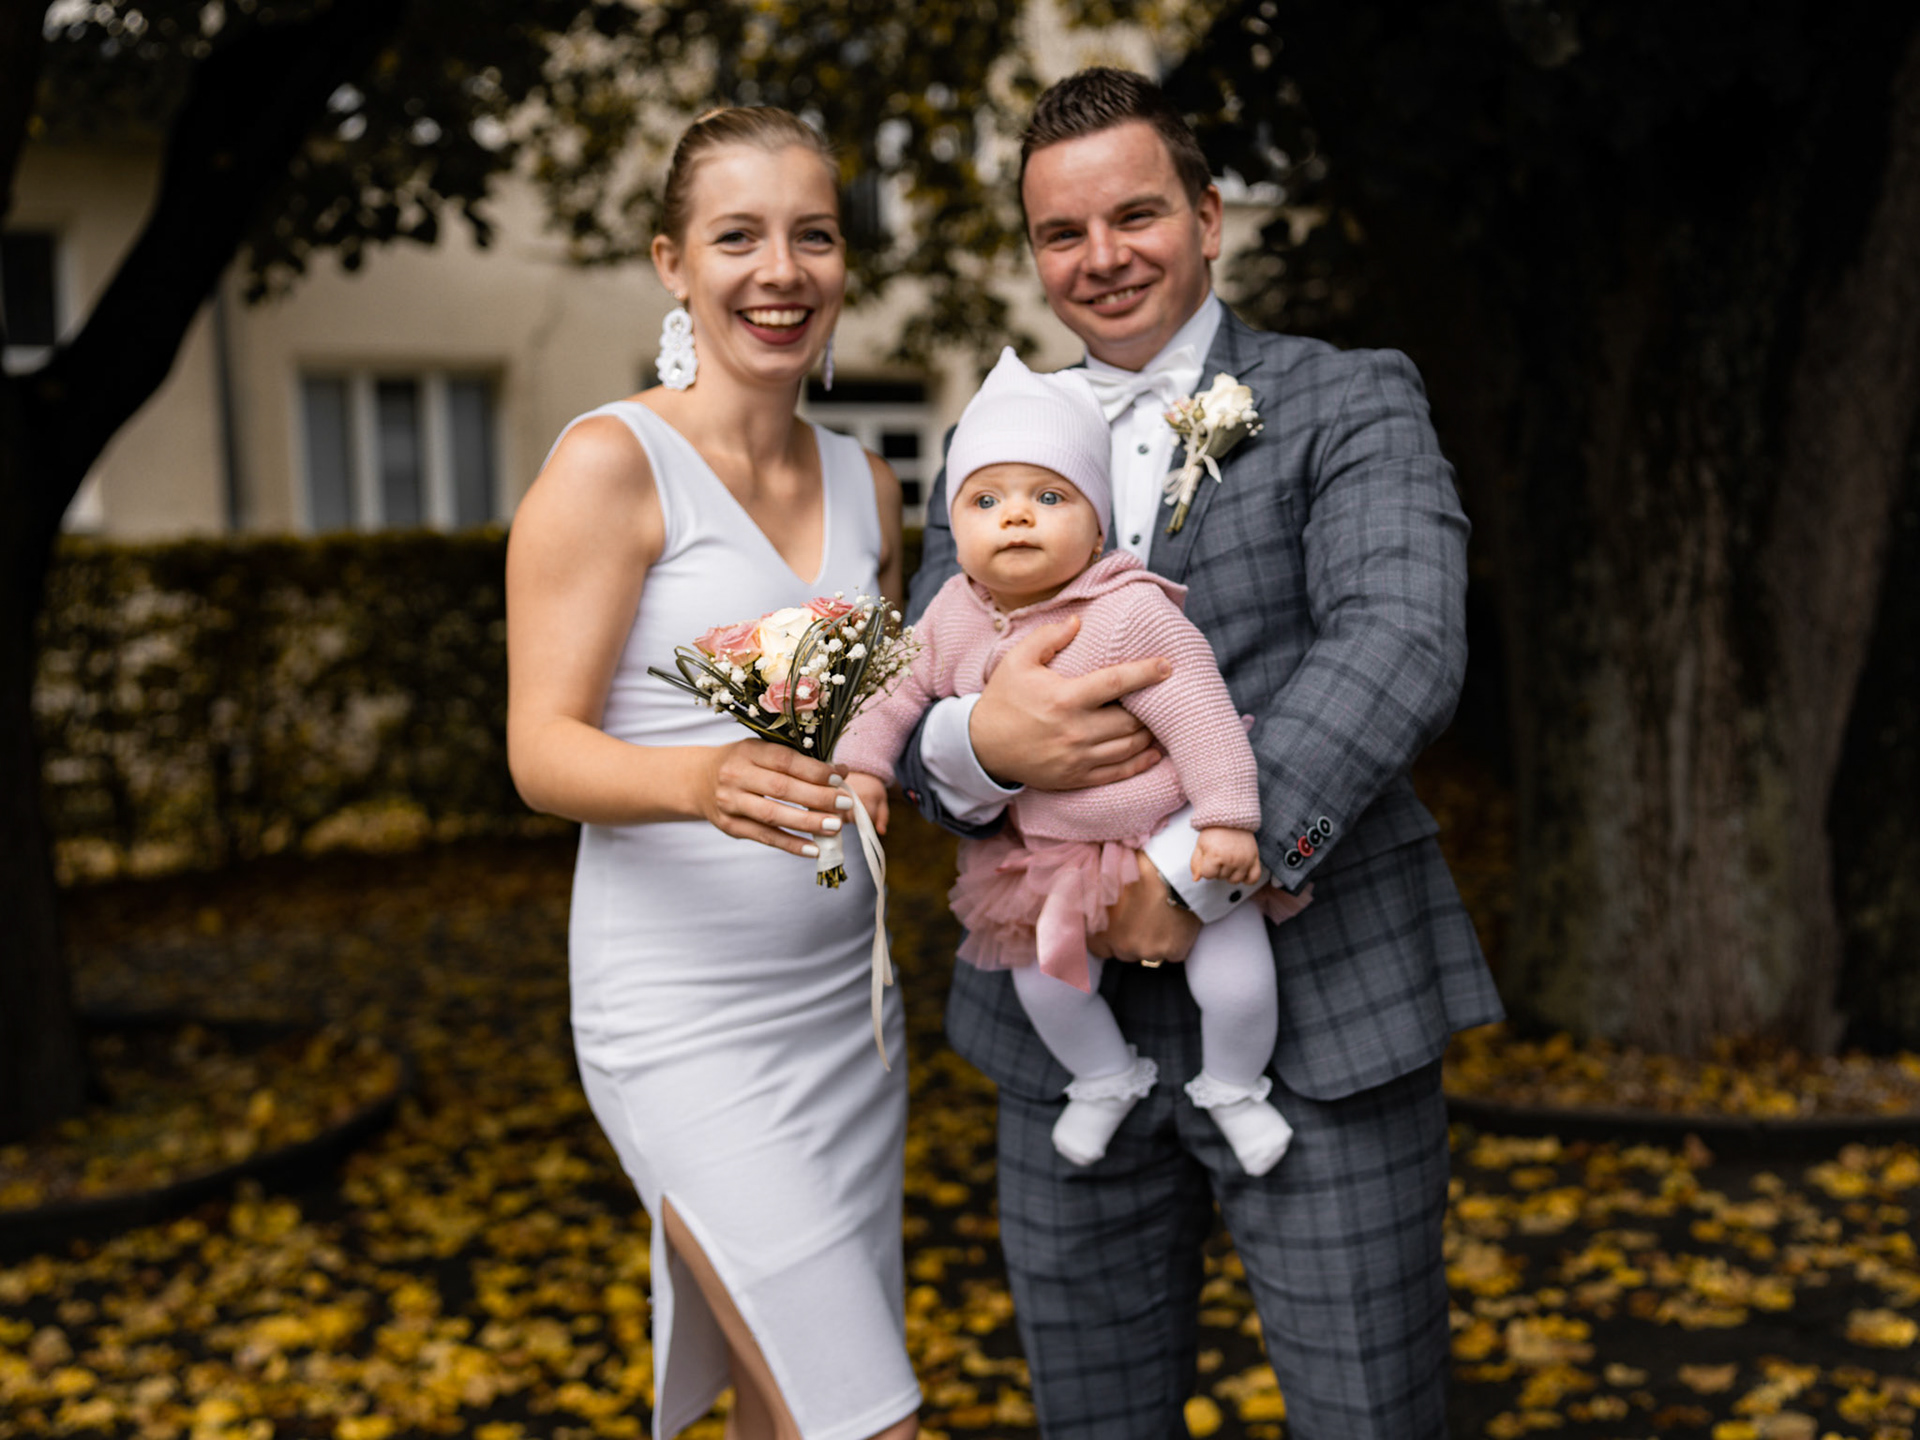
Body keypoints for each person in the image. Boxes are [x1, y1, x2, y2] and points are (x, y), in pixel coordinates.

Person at [896, 69, 1506, 1439]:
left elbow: (1400, 639)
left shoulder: (1347, 398)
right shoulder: (989, 443)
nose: (1102, 257)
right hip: (1063, 1037)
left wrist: (1200, 871)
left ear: (1210, 216)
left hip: (1326, 1002)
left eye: (1136, 215)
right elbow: (921, 688)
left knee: (1367, 1415)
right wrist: (980, 747)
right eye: (1062, 232)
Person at [505, 107, 920, 1440]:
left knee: (783, 1416)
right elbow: (538, 751)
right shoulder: (611, 464)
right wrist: (699, 781)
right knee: (867, 1422)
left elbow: (869, 715)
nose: (781, 271)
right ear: (672, 263)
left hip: (848, 1019)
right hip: (684, 1019)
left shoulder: (868, 484)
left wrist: (883, 767)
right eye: (738, 236)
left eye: (815, 236)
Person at [838, 348, 1306, 1176]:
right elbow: (893, 692)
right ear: (956, 526)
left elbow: (1200, 714)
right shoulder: (949, 614)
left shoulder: (1127, 610)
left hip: (1172, 829)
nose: (1016, 517)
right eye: (986, 500)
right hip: (1053, 851)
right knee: (1046, 981)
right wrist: (864, 767)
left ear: (1097, 529)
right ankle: (1103, 1078)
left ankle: (1236, 1087)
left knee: (1237, 982)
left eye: (1049, 497)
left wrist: (1229, 820)